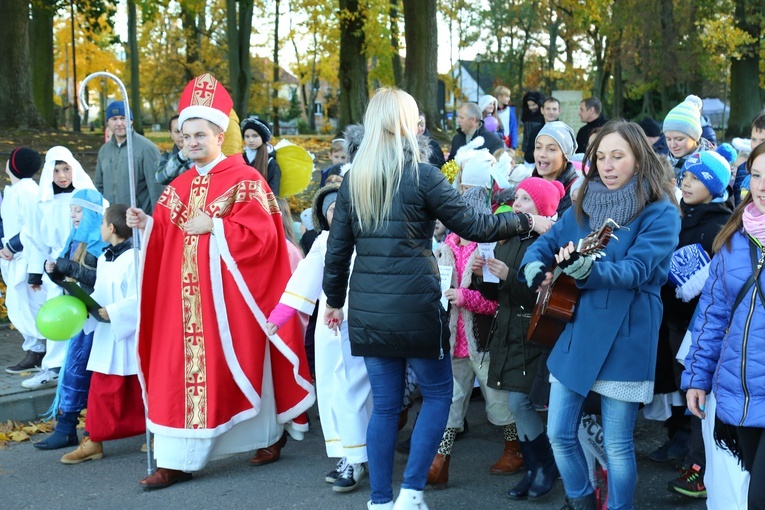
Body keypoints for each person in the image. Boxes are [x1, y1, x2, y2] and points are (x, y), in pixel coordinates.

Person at [322, 87, 552, 510]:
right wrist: (526, 220)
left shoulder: (356, 178)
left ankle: (378, 500)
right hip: (416, 305)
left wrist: (334, 301)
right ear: (408, 124)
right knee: (437, 394)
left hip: (370, 306)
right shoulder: (423, 174)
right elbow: (475, 224)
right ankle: (410, 493)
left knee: (386, 406)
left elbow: (338, 251)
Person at [127, 73, 314, 490]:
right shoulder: (176, 186)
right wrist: (147, 225)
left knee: (244, 364)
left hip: (232, 299)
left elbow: (266, 238)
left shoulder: (245, 180)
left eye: (199, 135)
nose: (190, 143)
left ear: (219, 133)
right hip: (185, 302)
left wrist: (216, 225)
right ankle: (177, 459)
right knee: (183, 370)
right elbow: (168, 239)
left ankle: (268, 435)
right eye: (185, 136)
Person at [520, 120, 681, 510]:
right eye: (601, 157)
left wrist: (587, 271)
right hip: (575, 327)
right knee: (559, 432)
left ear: (639, 158)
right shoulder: (584, 202)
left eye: (618, 156)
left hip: (628, 331)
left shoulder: (661, 212)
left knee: (618, 445)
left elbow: (638, 271)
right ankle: (581, 501)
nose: (607, 166)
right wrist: (532, 267)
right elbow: (546, 244)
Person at [268, 182, 372, 494]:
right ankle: (348, 455)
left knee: (356, 392)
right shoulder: (325, 242)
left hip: (366, 324)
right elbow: (306, 278)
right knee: (332, 390)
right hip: (331, 328)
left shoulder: (369, 237)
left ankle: (360, 456)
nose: (336, 213)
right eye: (330, 209)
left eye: (341, 206)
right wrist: (279, 316)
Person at [682, 141, 765, 509]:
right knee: (744, 494)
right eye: (757, 175)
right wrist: (698, 378)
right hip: (737, 393)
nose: (762, 185)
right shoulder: (733, 239)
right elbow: (712, 316)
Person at [427, 171, 523, 487]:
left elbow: (495, 303)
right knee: (451, 402)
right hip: (452, 342)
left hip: (482, 341)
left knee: (497, 399)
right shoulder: (444, 249)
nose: (460, 226)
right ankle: (440, 462)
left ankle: (515, 447)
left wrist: (464, 296)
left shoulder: (488, 249)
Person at [474, 176, 565, 501]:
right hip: (510, 332)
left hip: (531, 334)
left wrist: (507, 276)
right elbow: (495, 295)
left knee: (520, 402)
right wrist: (480, 274)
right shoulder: (508, 239)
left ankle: (543, 466)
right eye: (518, 197)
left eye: (526, 199)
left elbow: (541, 293)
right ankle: (535, 468)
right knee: (518, 403)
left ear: (541, 209)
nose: (517, 203)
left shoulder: (545, 244)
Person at [649, 151, 734, 498]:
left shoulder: (719, 226)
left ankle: (701, 469)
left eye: (696, 178)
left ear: (713, 187)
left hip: (702, 330)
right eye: (684, 175)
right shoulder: (679, 217)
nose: (685, 181)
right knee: (687, 394)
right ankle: (690, 454)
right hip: (674, 322)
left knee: (702, 397)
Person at [58, 203, 145, 464]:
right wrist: (86, 304)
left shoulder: (136, 257)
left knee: (138, 389)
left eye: (102, 223)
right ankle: (93, 439)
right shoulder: (107, 257)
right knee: (101, 389)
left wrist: (115, 311)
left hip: (128, 332)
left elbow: (141, 296)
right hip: (107, 333)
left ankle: (155, 432)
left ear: (111, 228)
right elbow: (102, 291)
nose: (98, 228)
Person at [34, 189, 109, 451]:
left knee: (89, 375)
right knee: (75, 373)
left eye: (78, 210)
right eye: (71, 211)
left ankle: (86, 430)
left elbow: (104, 279)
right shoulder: (74, 239)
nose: (73, 215)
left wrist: (71, 268)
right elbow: (70, 279)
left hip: (100, 319)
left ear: (91, 213)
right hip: (80, 316)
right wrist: (54, 273)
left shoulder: (104, 242)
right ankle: (70, 428)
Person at [22, 147, 96, 390]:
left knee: (88, 318)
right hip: (56, 266)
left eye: (66, 169)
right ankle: (53, 367)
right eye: (55, 170)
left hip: (86, 262)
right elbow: (36, 240)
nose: (62, 175)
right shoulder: (43, 203)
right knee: (56, 312)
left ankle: (89, 367)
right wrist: (36, 272)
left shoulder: (88, 196)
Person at [2, 148, 47, 374]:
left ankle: (38, 350)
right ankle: (35, 348)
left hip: (27, 258)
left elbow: (32, 228)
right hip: (14, 258)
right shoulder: (15, 190)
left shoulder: (28, 191)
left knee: (29, 305)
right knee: (18, 305)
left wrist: (11, 247)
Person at [95, 101, 163, 214]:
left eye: (123, 118)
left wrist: (156, 221)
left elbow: (156, 189)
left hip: (137, 219)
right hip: (111, 219)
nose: (119, 123)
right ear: (108, 122)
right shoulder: (104, 151)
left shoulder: (147, 148)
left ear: (131, 120)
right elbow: (99, 186)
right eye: (114, 119)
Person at [532, 121, 580, 216]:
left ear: (565, 155)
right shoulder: (529, 185)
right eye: (538, 147)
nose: (542, 154)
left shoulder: (576, 192)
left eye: (551, 149)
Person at [663, 97, 714, 188]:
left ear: (694, 137)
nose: (672, 145)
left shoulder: (709, 164)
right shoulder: (663, 163)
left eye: (679, 139)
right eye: (668, 139)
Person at [241, 116, 281, 195]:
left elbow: (273, 192)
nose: (251, 140)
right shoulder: (241, 159)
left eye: (255, 136)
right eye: (247, 136)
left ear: (262, 137)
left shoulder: (271, 163)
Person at [154, 115, 193, 186]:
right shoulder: (166, 157)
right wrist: (180, 158)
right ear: (170, 134)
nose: (181, 135)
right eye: (177, 132)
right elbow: (160, 178)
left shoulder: (201, 152)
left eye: (184, 130)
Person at [524, 97, 561, 164]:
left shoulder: (564, 131)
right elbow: (528, 156)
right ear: (542, 110)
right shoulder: (535, 131)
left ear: (559, 111)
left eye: (554, 109)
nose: (551, 112)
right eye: (548, 109)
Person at [521, 91, 545, 163]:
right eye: (529, 105)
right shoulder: (527, 115)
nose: (531, 107)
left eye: (534, 105)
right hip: (528, 149)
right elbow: (526, 133)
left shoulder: (543, 117)